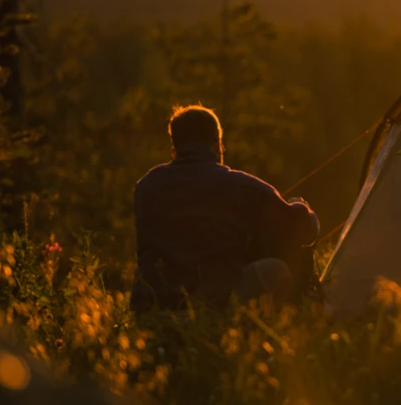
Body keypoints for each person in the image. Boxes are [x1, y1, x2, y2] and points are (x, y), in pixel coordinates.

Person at [131, 105, 319, 312]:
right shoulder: (238, 185)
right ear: (217, 145)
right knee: (280, 267)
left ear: (175, 151)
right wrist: (302, 207)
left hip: (152, 306)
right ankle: (276, 333)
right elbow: (304, 230)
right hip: (212, 303)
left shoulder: (146, 185)